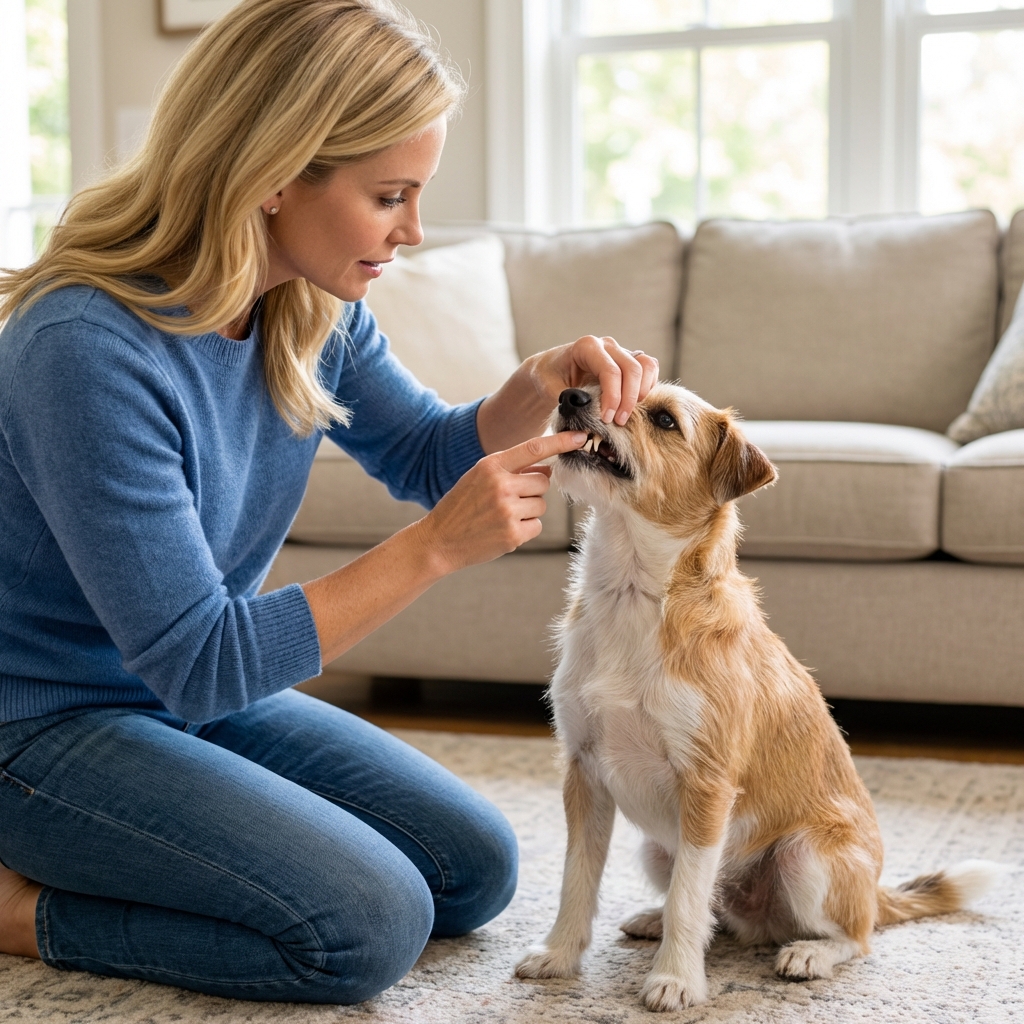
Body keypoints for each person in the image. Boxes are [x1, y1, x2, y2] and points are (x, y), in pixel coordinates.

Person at [0, 0, 658, 1004]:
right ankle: (18, 908)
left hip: (177, 705)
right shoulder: (85, 346)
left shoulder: (308, 307)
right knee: (364, 922)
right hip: (40, 725)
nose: (414, 229)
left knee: (470, 867)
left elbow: (428, 452)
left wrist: (533, 386)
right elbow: (203, 656)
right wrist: (435, 548)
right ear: (272, 173)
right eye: (389, 194)